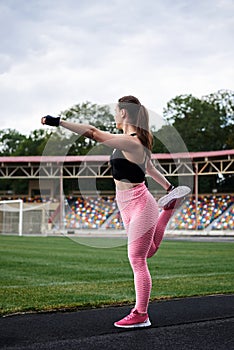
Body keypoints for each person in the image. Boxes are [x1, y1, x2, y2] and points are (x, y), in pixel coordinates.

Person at [41, 95, 190, 329]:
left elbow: (92, 132)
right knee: (147, 251)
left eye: (115, 111)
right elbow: (149, 168)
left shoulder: (132, 141)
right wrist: (169, 188)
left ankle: (141, 313)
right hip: (126, 205)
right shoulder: (133, 141)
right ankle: (168, 210)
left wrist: (59, 122)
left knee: (137, 259)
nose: (114, 115)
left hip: (141, 203)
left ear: (123, 113)